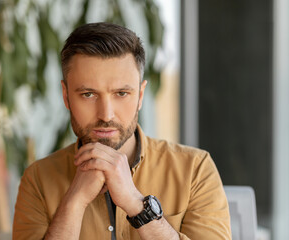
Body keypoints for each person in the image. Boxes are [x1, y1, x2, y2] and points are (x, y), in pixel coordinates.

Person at [13, 22, 231, 240]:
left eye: (121, 93)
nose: (106, 115)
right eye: (88, 94)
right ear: (65, 95)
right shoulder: (38, 180)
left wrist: (135, 203)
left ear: (141, 95)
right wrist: (75, 201)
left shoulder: (195, 170)